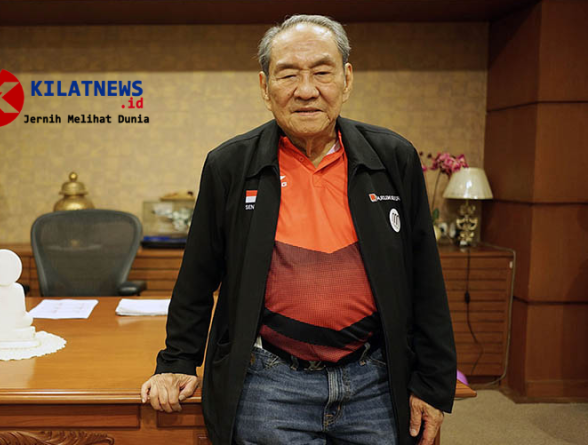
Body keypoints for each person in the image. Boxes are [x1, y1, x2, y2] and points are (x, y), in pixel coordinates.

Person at [141, 14, 456, 445]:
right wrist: (177, 360)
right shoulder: (229, 165)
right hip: (269, 383)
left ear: (347, 79)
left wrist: (433, 383)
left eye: (322, 72)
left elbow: (425, 279)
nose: (306, 90)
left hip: (375, 383)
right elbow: (197, 276)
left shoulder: (393, 157)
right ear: (264, 86)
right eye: (288, 74)